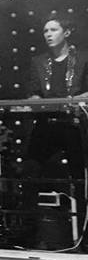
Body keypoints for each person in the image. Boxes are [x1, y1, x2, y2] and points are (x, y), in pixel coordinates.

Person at [24, 13, 88, 245]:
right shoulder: (38, 62)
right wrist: (34, 101)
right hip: (46, 124)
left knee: (80, 177)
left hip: (74, 125)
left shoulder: (83, 58)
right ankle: (29, 232)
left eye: (53, 30)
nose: (48, 35)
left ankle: (83, 232)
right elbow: (33, 92)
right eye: (45, 31)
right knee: (30, 171)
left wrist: (75, 100)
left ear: (66, 33)